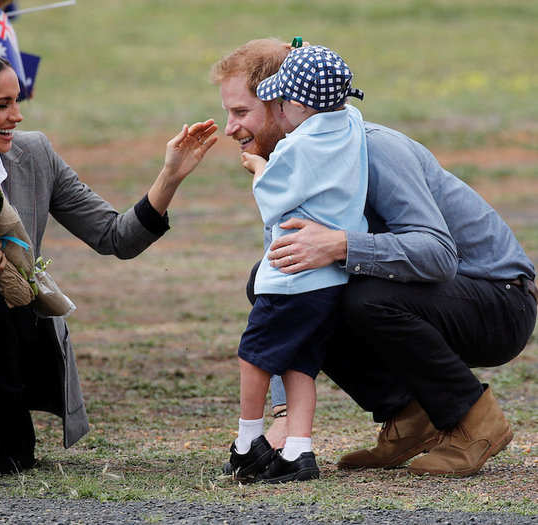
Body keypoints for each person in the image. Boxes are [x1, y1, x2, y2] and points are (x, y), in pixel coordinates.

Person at [0, 46, 218, 474]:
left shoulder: (34, 154)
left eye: (16, 101)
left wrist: (170, 176)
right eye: (3, 105)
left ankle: (15, 430)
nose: (18, 115)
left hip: (19, 333)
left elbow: (115, 237)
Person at [212, 38, 537, 477]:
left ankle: (475, 420)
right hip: (434, 296)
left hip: (499, 301)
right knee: (280, 278)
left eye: (241, 112)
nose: (230, 128)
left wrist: (340, 244)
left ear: (284, 103)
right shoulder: (301, 158)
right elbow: (282, 294)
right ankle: (407, 416)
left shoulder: (372, 148)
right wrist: (284, 415)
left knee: (363, 297)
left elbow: (439, 254)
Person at [228, 45, 368, 484]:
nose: (279, 109)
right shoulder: (353, 124)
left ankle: (248, 441)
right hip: (332, 279)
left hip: (292, 276)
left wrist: (258, 167)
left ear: (300, 106)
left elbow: (272, 200)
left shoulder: (296, 148)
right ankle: (299, 450)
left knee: (254, 356)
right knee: (300, 363)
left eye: (282, 100)